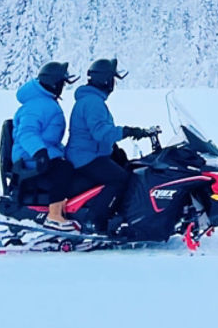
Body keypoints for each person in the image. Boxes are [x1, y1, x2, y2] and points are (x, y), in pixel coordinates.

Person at [65, 59, 154, 232]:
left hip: (90, 153)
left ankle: (121, 215)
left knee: (128, 168)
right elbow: (100, 132)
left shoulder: (92, 100)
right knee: (119, 178)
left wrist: (115, 149)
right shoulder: (92, 102)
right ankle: (96, 220)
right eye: (112, 79)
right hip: (85, 157)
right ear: (105, 80)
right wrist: (128, 131)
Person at [11, 61, 80, 231]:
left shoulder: (44, 101)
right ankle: (54, 215)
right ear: (53, 83)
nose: (63, 87)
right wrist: (39, 152)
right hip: (28, 156)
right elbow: (27, 133)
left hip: (41, 152)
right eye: (62, 83)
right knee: (63, 170)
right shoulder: (36, 105)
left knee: (71, 166)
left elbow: (49, 139)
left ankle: (66, 208)